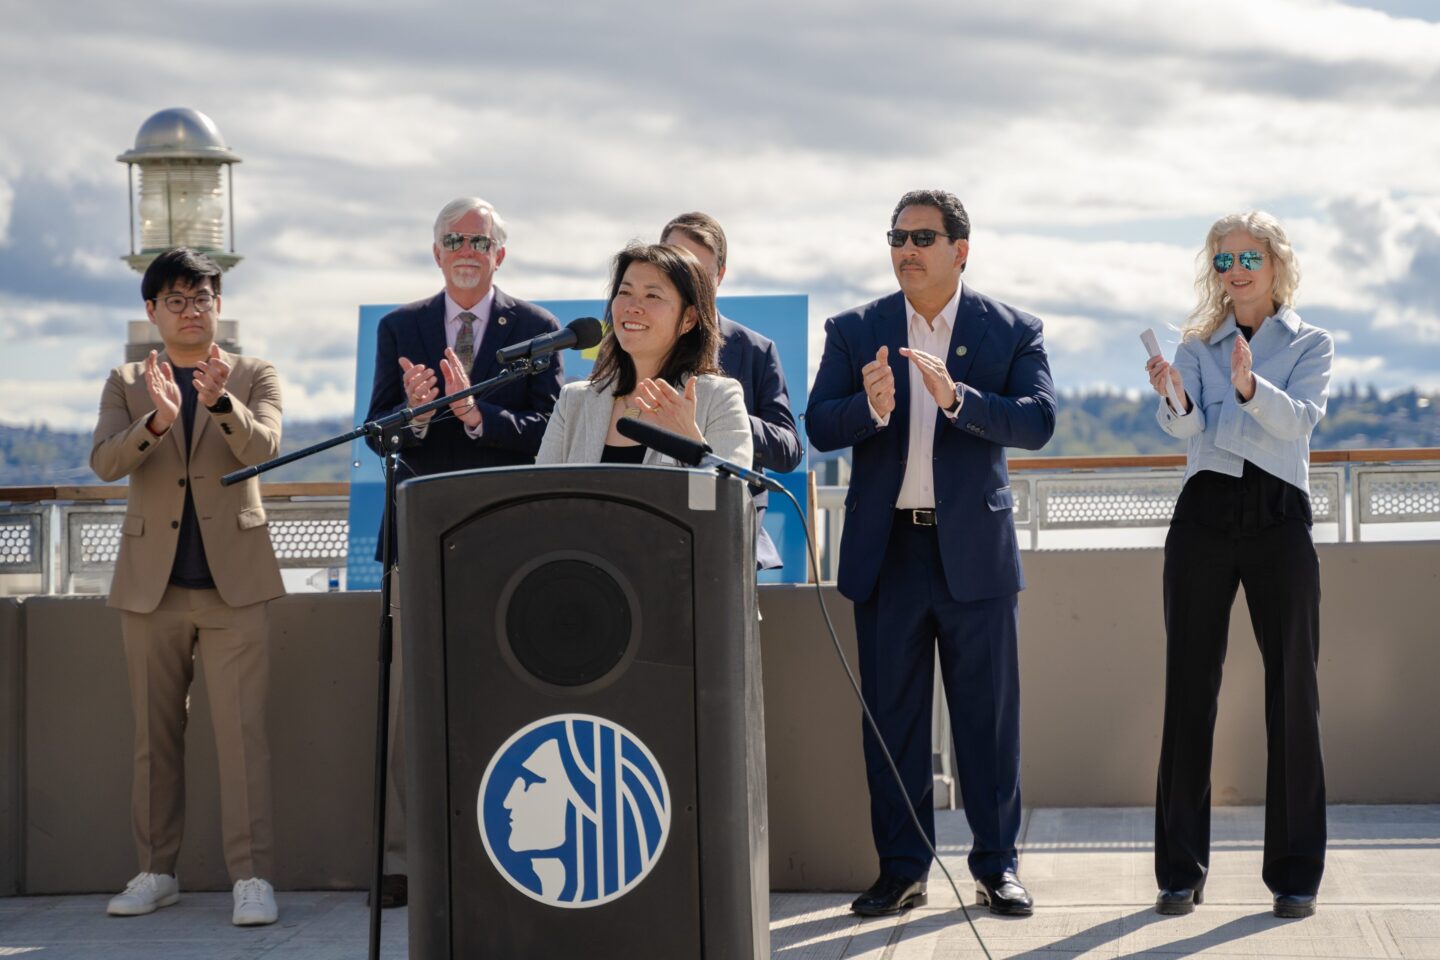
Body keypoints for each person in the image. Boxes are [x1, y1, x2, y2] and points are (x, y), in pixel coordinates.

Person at [806, 189, 1055, 918]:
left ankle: (997, 866)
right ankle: (903, 870)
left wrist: (959, 401)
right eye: (897, 236)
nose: (906, 250)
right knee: (893, 723)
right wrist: (871, 408)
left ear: (960, 250)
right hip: (889, 556)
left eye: (922, 237)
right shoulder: (857, 330)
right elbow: (820, 425)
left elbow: (1038, 422)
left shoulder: (1011, 330)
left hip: (973, 555)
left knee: (989, 723)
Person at [363, 196, 564, 907]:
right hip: (419, 535)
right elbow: (376, 433)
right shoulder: (402, 327)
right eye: (453, 239)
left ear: (499, 254)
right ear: (437, 251)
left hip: (507, 539)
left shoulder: (538, 329)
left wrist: (481, 416)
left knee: (503, 696)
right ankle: (405, 861)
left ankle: (502, 852)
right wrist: (413, 416)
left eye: (479, 240)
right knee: (410, 706)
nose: (466, 249)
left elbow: (551, 429)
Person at [1146, 212, 1333, 920]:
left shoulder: (1312, 343)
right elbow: (1182, 430)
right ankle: (1178, 871)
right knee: (1188, 692)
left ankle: (1294, 875)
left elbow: (1300, 422)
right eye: (1224, 260)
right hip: (1203, 515)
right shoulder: (1196, 344)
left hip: (1280, 519)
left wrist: (1250, 392)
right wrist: (1175, 392)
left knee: (1294, 693)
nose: (1237, 270)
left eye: (1250, 256)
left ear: (1276, 265)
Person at [91, 248, 283, 927]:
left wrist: (218, 400)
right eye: (176, 299)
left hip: (238, 587)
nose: (192, 310)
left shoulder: (252, 373)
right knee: (154, 739)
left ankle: (253, 877)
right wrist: (160, 421)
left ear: (218, 306)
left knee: (243, 736)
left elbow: (262, 447)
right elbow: (105, 463)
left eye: (202, 298)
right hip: (151, 588)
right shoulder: (125, 381)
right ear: (152, 311)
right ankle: (154, 870)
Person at [659, 213, 802, 568]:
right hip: (646, 515)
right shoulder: (633, 341)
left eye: (699, 274)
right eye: (675, 268)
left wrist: (725, 415)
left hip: (726, 523)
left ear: (719, 276)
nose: (685, 284)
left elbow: (788, 450)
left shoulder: (755, 350)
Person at [536, 243, 750, 470]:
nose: (633, 306)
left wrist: (691, 443)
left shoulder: (719, 398)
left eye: (652, 295)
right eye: (625, 292)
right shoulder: (574, 401)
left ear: (689, 318)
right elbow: (538, 498)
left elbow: (724, 501)